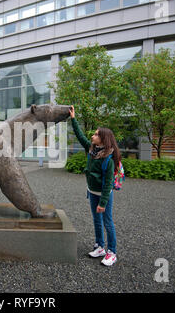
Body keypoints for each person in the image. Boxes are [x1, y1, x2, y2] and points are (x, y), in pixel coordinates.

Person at [69, 105, 121, 266]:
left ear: (103, 139)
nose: (92, 136)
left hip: (103, 195)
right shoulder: (92, 150)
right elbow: (80, 136)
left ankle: (112, 252)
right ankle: (100, 246)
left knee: (107, 222)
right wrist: (73, 119)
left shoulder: (108, 158)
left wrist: (103, 203)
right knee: (96, 221)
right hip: (92, 192)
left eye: (96, 134)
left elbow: (108, 184)